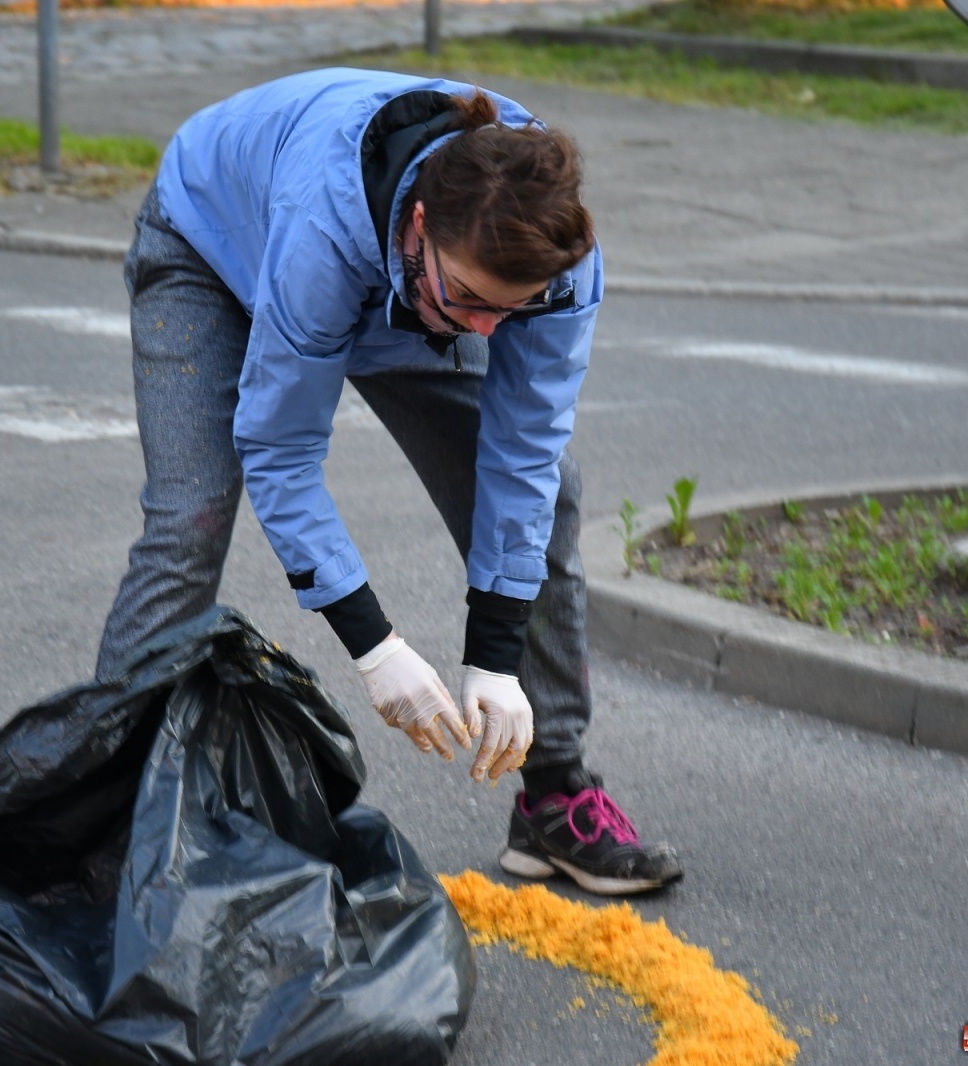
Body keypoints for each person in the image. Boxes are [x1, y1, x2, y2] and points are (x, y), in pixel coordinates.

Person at [93, 67, 682, 895]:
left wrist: (495, 654)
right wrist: (375, 646)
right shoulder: (323, 230)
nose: (486, 332)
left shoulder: (550, 265)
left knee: (552, 504)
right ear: (417, 224)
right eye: (476, 301)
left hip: (407, 290)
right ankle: (102, 816)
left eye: (509, 313)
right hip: (215, 249)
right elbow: (282, 449)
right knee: (190, 519)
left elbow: (522, 458)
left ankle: (553, 800)